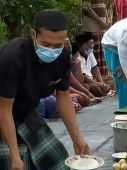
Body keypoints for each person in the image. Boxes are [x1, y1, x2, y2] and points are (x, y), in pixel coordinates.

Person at [0, 9, 90, 169]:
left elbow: (63, 98)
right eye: (47, 44)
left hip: (26, 112)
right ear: (33, 34)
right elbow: (4, 109)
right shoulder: (13, 57)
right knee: (15, 162)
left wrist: (77, 138)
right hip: (3, 111)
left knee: (56, 161)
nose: (52, 50)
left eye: (58, 45)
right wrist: (14, 156)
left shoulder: (63, 56)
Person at [75, 32, 114, 97]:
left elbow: (95, 69)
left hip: (92, 80)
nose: (93, 45)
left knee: (111, 80)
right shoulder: (77, 57)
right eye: (91, 43)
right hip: (84, 83)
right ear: (84, 45)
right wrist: (97, 84)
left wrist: (101, 82)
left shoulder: (89, 53)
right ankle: (105, 95)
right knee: (95, 87)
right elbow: (84, 77)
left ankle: (105, 92)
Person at [82, 0, 110, 76]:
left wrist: (106, 20)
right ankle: (95, 79)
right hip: (92, 28)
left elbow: (105, 7)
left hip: (102, 27)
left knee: (102, 54)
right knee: (94, 54)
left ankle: (102, 79)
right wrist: (100, 21)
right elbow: (86, 8)